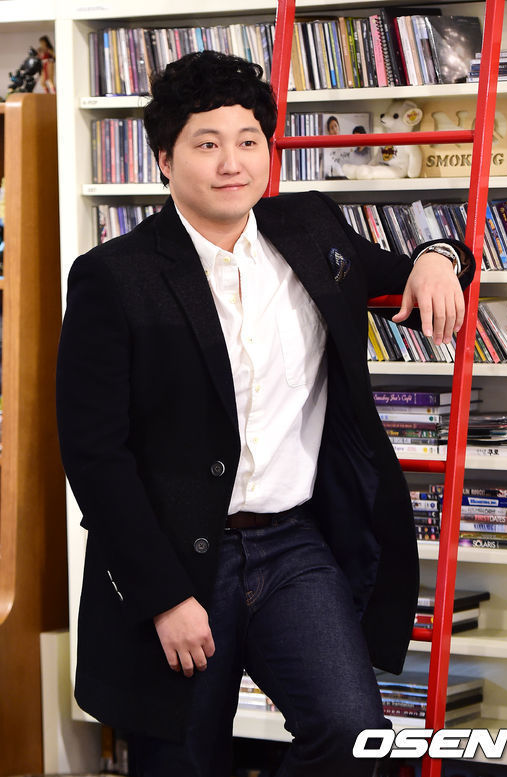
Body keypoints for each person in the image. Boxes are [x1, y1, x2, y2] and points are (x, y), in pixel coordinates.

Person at [56, 51, 475, 777]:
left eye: (249, 140)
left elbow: (412, 265)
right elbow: (95, 454)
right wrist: (164, 597)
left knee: (352, 733)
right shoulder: (114, 276)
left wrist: (439, 257)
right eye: (206, 143)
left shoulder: (310, 229)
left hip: (293, 546)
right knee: (184, 762)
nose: (233, 163)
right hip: (180, 559)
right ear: (165, 158)